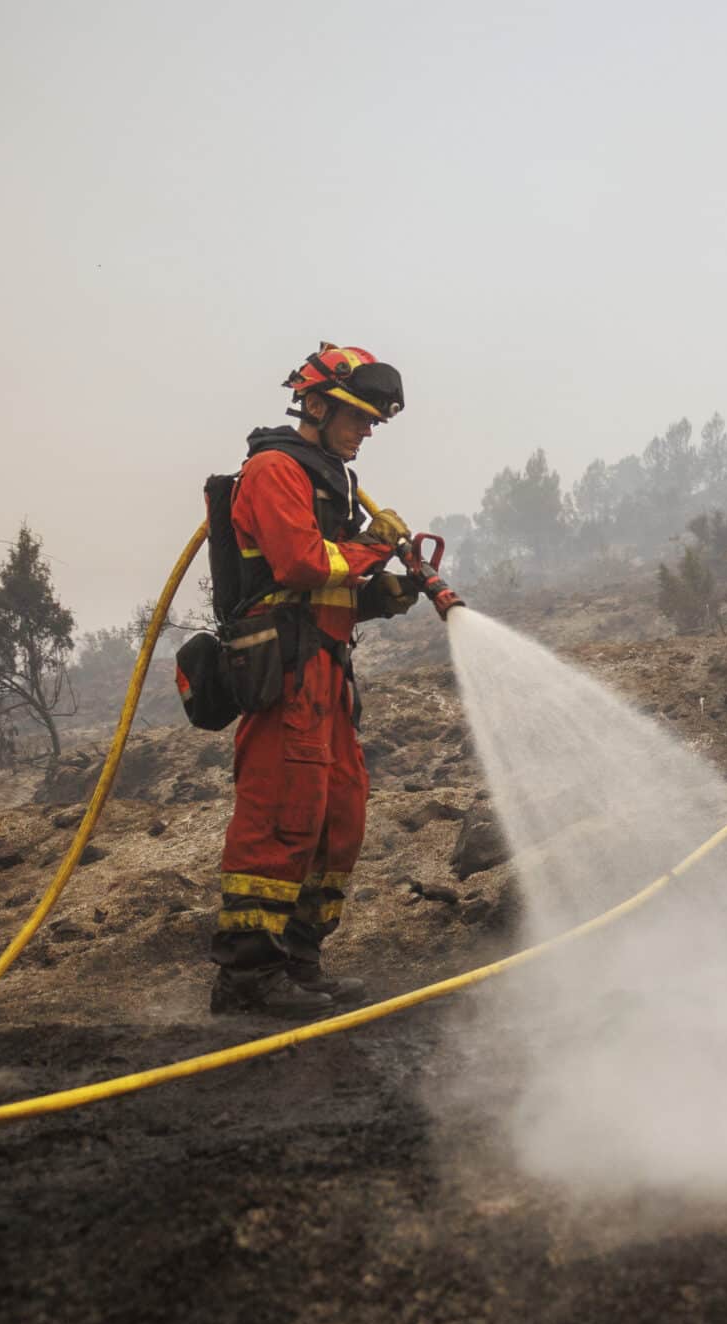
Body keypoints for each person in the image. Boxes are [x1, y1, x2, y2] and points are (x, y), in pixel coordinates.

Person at [209, 344, 420, 1018]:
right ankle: (247, 977)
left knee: (339, 815)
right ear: (320, 405)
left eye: (372, 422)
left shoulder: (330, 479)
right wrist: (374, 547)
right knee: (281, 815)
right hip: (286, 674)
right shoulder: (274, 470)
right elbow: (301, 565)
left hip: (327, 674)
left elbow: (330, 586)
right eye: (358, 417)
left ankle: (301, 961)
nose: (366, 432)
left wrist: (380, 594)